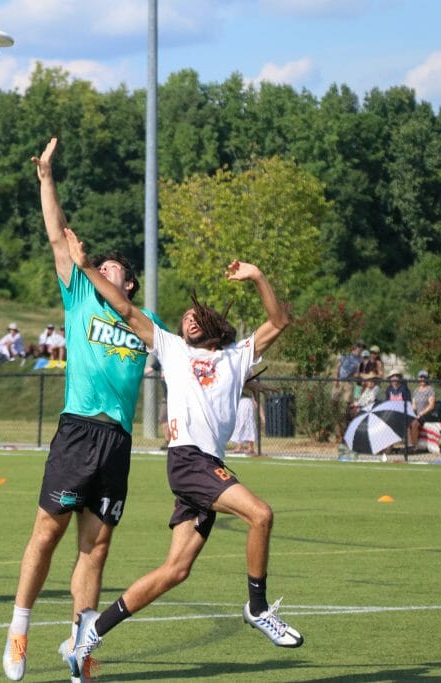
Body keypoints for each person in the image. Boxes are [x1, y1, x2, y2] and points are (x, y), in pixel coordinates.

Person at [62, 228, 302, 682]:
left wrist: (257, 276)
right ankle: (257, 607)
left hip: (208, 465)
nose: (187, 320)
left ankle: (92, 632)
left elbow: (279, 321)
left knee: (175, 570)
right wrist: (86, 265)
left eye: (195, 316)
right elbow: (124, 307)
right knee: (261, 515)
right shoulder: (171, 349)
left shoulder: (235, 357)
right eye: (185, 316)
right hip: (189, 462)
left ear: (215, 325)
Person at [2, 137, 167, 682]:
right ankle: (19, 629)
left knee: (95, 549)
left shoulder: (145, 324)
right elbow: (56, 234)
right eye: (102, 263)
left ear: (130, 281)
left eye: (113, 266)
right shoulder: (80, 294)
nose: (104, 268)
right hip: (77, 431)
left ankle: (81, 646)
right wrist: (46, 177)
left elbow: (185, 368)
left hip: (116, 442)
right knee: (46, 533)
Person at [408, 370, 437, 448]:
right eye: (421, 377)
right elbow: (413, 405)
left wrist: (421, 413)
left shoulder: (430, 389)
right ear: (419, 378)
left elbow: (431, 406)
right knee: (408, 421)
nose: (423, 379)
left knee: (414, 423)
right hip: (418, 416)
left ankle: (413, 446)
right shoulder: (416, 391)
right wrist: (411, 414)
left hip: (429, 415)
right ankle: (409, 444)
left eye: (424, 377)